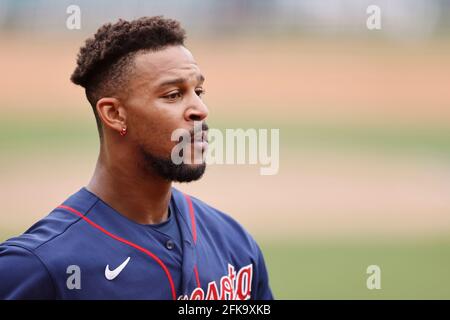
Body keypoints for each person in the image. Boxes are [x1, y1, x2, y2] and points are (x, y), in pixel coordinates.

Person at [0, 16, 273, 300]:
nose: (200, 109)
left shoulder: (235, 247)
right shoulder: (42, 265)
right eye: (173, 95)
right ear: (115, 114)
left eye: (199, 91)